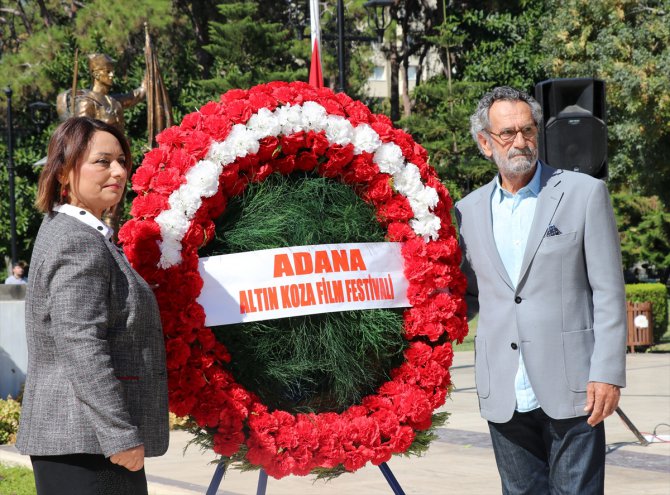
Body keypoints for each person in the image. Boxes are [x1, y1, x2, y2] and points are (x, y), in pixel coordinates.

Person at [455, 86, 626, 494]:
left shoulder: (583, 194)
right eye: (507, 133)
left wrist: (607, 372)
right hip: (504, 392)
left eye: (527, 130)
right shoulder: (467, 211)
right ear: (484, 143)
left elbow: (608, 291)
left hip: (575, 388)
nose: (520, 142)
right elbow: (471, 294)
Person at [16, 117, 169, 495]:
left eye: (121, 161)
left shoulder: (75, 233)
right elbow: (80, 344)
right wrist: (119, 434)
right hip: (88, 445)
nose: (118, 170)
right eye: (103, 161)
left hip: (86, 441)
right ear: (64, 172)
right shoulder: (78, 242)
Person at [56, 53, 146, 132]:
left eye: (112, 71)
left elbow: (136, 96)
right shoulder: (88, 101)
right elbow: (83, 133)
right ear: (96, 74)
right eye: (108, 71)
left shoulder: (112, 100)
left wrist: (149, 77)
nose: (112, 75)